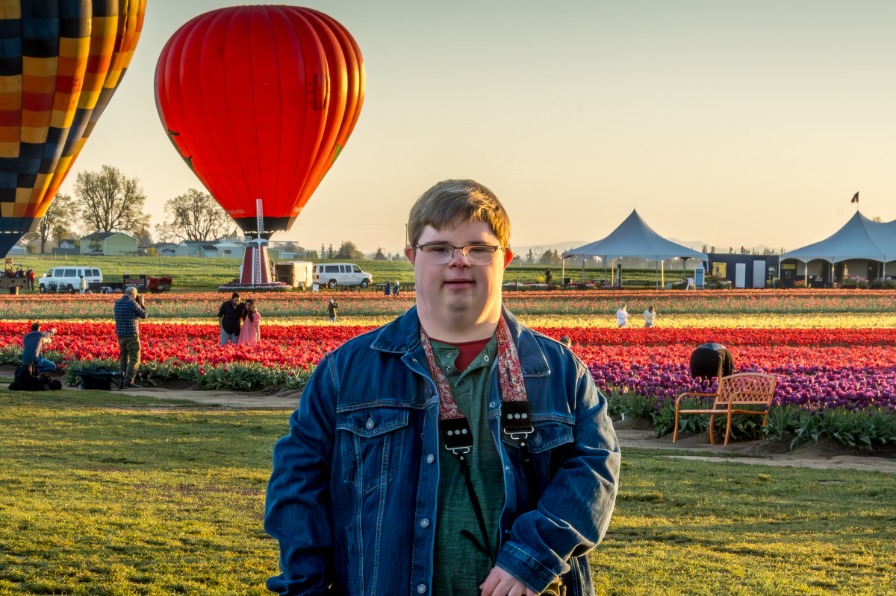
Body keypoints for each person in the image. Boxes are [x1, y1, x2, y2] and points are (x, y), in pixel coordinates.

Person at [265, 179, 619, 595]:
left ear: (504, 258)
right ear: (412, 257)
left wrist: (532, 558)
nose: (459, 261)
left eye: (478, 248)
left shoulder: (558, 372)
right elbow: (297, 487)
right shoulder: (346, 372)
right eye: (440, 249)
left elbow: (596, 470)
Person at [113, 286, 146, 389]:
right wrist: (142, 304)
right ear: (133, 294)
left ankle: (122, 379)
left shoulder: (117, 303)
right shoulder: (132, 303)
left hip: (121, 335)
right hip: (132, 334)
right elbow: (144, 315)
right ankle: (128, 381)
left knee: (123, 357)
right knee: (134, 358)